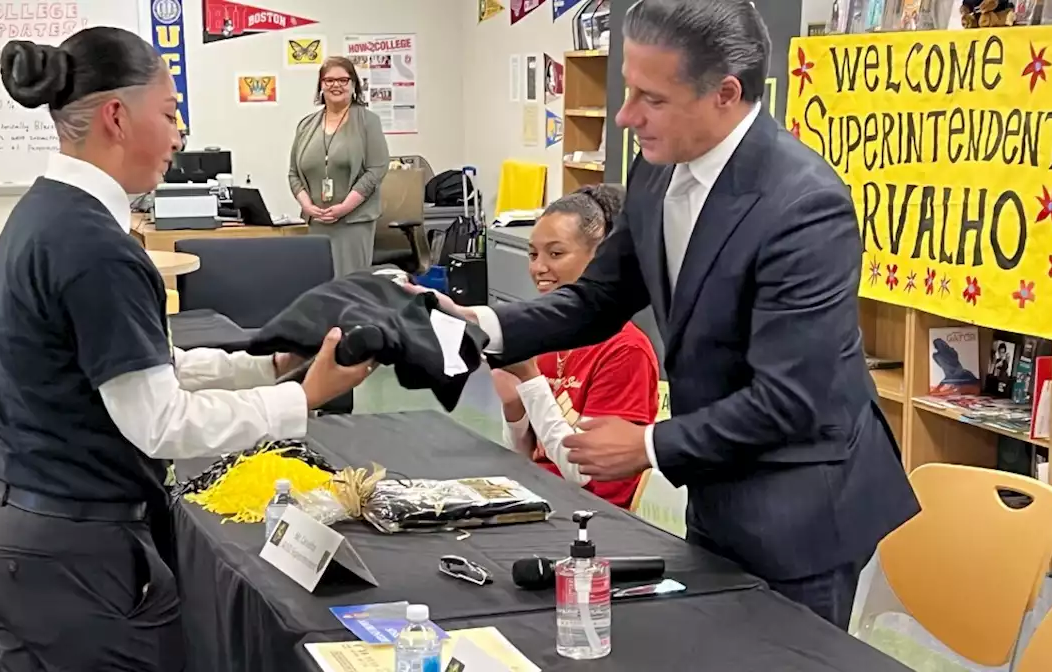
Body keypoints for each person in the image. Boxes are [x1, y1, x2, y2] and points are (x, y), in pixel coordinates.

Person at [418, 0, 919, 630]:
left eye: (650, 98)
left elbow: (793, 398)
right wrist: (481, 326)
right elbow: (598, 298)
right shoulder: (658, 174)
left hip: (802, 504)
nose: (626, 117)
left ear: (725, 94)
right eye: (629, 91)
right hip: (717, 482)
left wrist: (650, 444)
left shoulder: (804, 206)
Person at [0, 28, 374, 670]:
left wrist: (266, 366)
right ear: (117, 118)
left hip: (19, 535)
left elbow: (131, 368)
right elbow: (159, 421)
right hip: (74, 551)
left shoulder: (43, 215)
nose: (179, 135)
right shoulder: (95, 246)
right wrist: (302, 398)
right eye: (171, 113)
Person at [494, 185, 658, 510]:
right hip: (540, 498)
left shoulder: (625, 350)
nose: (538, 267)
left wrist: (529, 379)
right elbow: (523, 457)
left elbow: (588, 477)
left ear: (600, 258)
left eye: (555, 254)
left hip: (589, 515)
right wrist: (513, 405)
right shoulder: (550, 335)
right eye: (532, 254)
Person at [288, 56, 390, 277]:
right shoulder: (306, 125)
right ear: (321, 85)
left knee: (349, 287)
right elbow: (294, 174)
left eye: (343, 80)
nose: (336, 85)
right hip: (316, 223)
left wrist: (344, 207)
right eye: (329, 80)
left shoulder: (368, 121)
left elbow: (376, 170)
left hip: (353, 222)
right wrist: (307, 206)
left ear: (353, 84)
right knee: (319, 286)